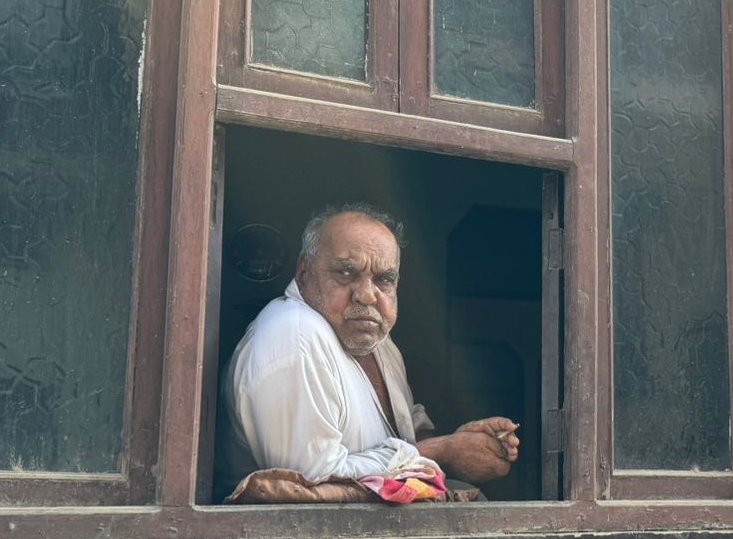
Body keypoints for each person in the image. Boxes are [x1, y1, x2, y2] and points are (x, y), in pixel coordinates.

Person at [218, 205, 520, 494]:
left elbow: (405, 434)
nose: (366, 295)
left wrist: (460, 444)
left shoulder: (378, 342)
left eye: (383, 279)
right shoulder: (295, 337)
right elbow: (309, 486)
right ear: (304, 272)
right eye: (346, 273)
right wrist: (440, 453)